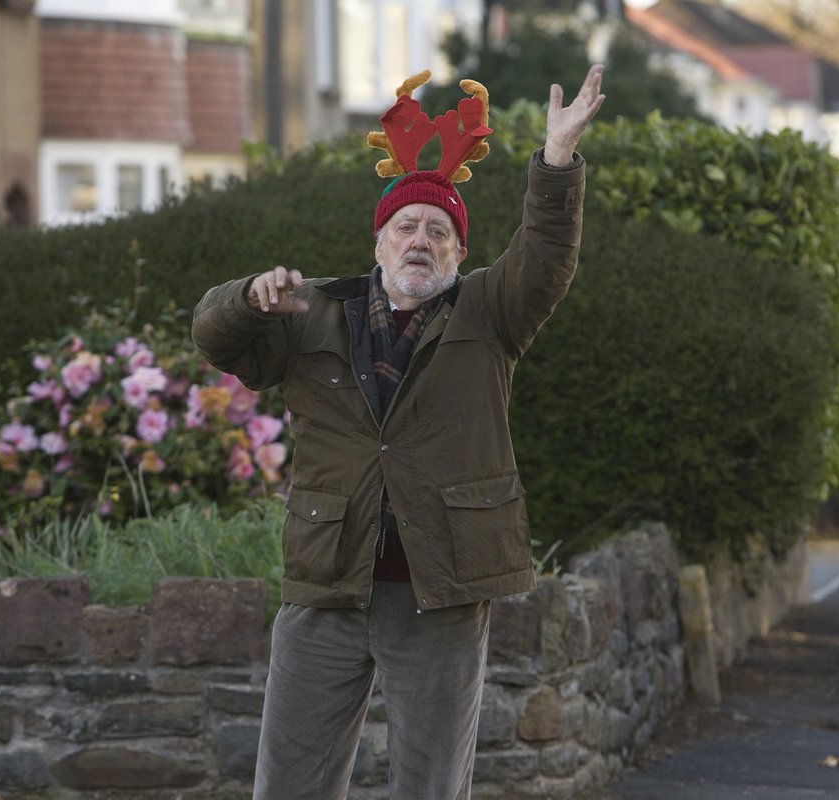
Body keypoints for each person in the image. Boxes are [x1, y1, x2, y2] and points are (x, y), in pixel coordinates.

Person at [192, 64, 606, 800]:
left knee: (432, 785)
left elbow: (545, 260)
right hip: (326, 585)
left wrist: (557, 164)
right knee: (288, 783)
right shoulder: (308, 312)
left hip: (437, 592)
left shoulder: (490, 313)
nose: (421, 240)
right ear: (379, 244)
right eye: (406, 227)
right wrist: (246, 301)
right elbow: (217, 343)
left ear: (458, 252)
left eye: (439, 231)